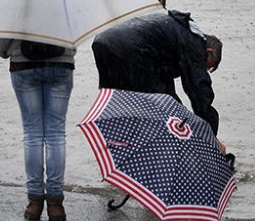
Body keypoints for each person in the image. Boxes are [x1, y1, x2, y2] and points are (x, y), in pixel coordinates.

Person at [91, 9, 224, 146]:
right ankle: (160, 148)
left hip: (104, 41)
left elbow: (165, 84)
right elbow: (199, 90)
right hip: (131, 48)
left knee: (119, 102)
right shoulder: (195, 42)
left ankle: (117, 147)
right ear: (209, 52)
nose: (203, 70)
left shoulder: (179, 31)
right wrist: (211, 136)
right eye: (205, 66)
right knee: (164, 111)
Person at [0, 38, 76, 221]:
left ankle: (35, 202)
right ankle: (55, 204)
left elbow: (0, 43)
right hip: (61, 61)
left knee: (32, 134)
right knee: (56, 134)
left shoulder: (10, 6)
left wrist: (7, 49)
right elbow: (77, 30)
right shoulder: (64, 6)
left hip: (23, 64)